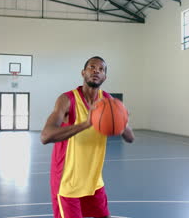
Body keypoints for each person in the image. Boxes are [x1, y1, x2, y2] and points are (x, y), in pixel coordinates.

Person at [41, 56, 134, 218]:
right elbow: (45, 136)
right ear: (83, 72)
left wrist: (121, 120)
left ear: (105, 77)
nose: (96, 71)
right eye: (92, 67)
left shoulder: (108, 101)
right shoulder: (67, 100)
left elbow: (130, 137)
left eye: (101, 69)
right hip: (68, 183)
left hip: (94, 181)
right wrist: (87, 123)